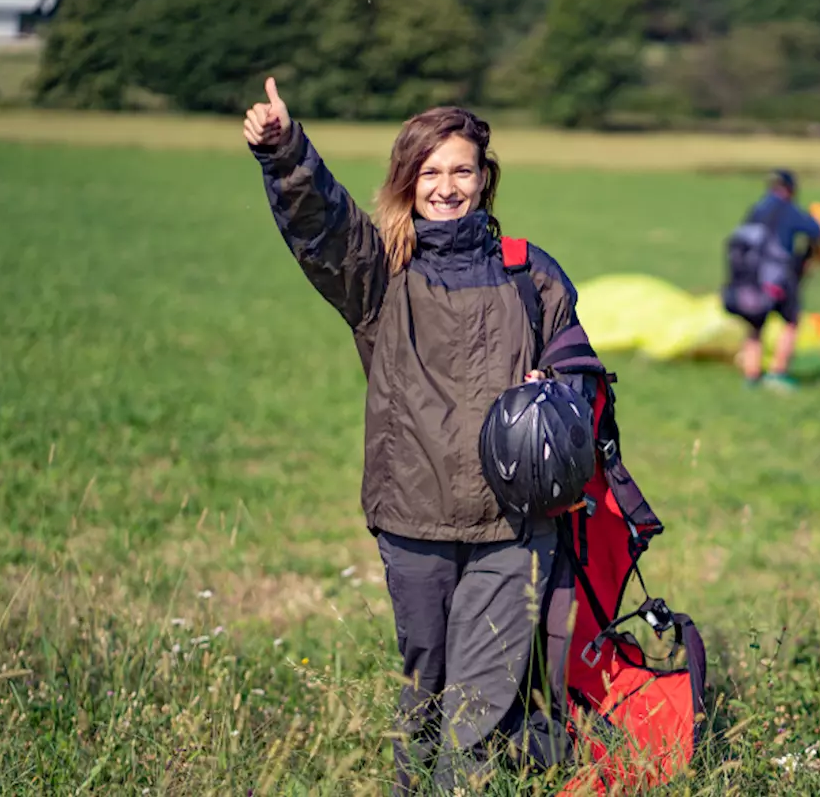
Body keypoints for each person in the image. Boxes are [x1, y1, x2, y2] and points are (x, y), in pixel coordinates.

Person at [243, 78, 581, 794]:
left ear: (484, 179)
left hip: (514, 527)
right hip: (413, 519)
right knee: (425, 688)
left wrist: (554, 393)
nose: (447, 187)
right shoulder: (379, 272)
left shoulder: (530, 272)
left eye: (462, 170)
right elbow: (322, 226)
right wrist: (284, 153)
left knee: (480, 702)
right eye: (431, 172)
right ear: (408, 180)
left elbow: (578, 370)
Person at [723, 169, 820, 391]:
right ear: (791, 189)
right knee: (791, 322)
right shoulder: (788, 210)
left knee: (755, 325)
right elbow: (816, 230)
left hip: (749, 279)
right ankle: (778, 373)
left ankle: (752, 377)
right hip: (776, 278)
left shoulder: (757, 209)